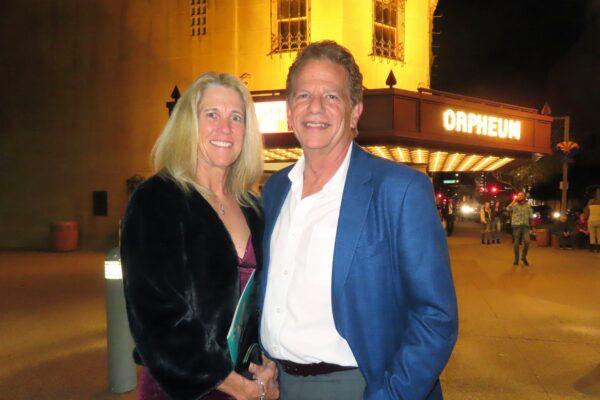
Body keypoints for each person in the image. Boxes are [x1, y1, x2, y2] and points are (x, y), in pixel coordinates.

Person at [259, 41, 458, 400]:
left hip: (361, 385)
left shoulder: (400, 190)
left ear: (354, 113)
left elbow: (435, 317)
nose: (315, 107)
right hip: (279, 387)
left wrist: (391, 395)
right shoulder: (275, 190)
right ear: (289, 112)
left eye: (332, 97)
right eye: (303, 95)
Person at [120, 72, 278, 400]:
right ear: (188, 124)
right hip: (182, 387)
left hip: (245, 382)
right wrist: (236, 386)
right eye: (211, 115)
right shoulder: (158, 199)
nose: (225, 128)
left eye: (236, 117)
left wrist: (266, 364)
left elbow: (260, 305)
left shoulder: (253, 208)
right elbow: (157, 318)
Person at [507, 192, 534, 266]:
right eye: (518, 195)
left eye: (521, 195)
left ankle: (523, 257)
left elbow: (531, 216)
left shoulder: (528, 205)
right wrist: (513, 201)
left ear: (524, 197)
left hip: (525, 226)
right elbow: (508, 208)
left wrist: (532, 226)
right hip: (516, 226)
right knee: (516, 243)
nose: (519, 196)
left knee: (527, 241)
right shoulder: (514, 205)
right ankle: (516, 259)